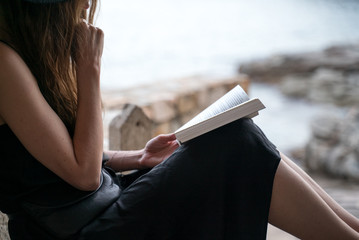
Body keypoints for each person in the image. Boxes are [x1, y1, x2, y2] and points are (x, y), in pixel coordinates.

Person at [0, 0, 358, 239]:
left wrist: (138, 157)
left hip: (99, 205)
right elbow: (82, 174)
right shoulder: (3, 61)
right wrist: (89, 70)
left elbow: (56, 154)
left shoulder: (26, 57)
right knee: (236, 145)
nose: (84, 11)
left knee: (236, 131)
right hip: (79, 229)